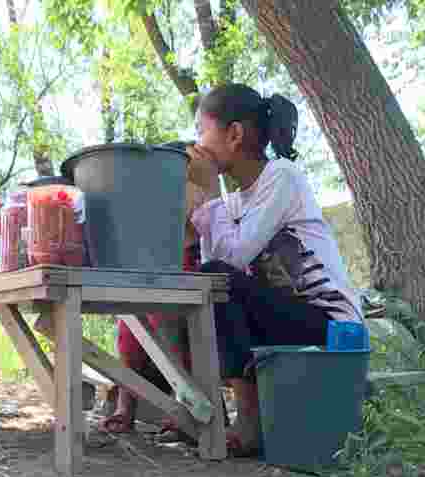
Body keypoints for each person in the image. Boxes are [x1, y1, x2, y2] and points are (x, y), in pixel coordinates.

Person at [105, 84, 363, 457]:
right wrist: (204, 207)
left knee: (218, 279)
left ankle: (248, 424)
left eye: (201, 129)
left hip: (330, 322)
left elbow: (235, 256)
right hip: (286, 316)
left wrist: (208, 194)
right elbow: (216, 267)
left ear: (235, 134)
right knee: (211, 282)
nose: (197, 142)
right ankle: (227, 416)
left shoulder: (283, 177)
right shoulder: (234, 199)